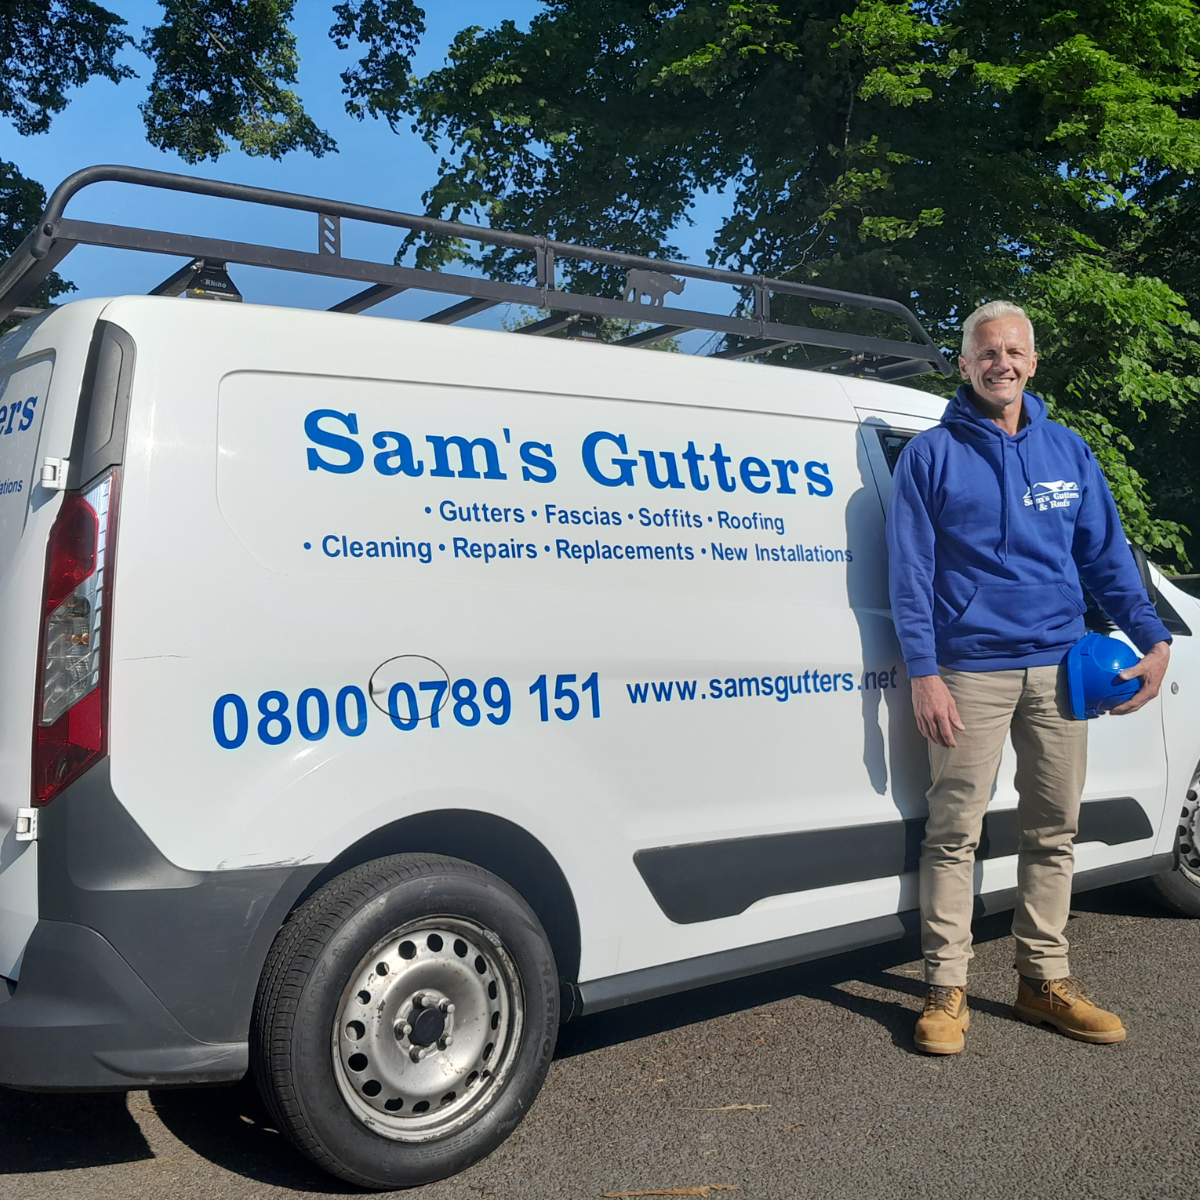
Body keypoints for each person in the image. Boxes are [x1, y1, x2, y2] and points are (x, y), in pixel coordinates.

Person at [886, 300, 1172, 1054]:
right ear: (964, 364)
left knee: (1054, 830)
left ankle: (1042, 980)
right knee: (954, 833)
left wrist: (1152, 637)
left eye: (1014, 351)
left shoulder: (1070, 452)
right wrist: (925, 673)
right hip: (967, 671)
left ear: (1032, 363)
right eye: (987, 352)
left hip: (1058, 667)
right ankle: (946, 987)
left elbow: (1106, 558)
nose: (1000, 363)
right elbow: (910, 577)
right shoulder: (930, 456)